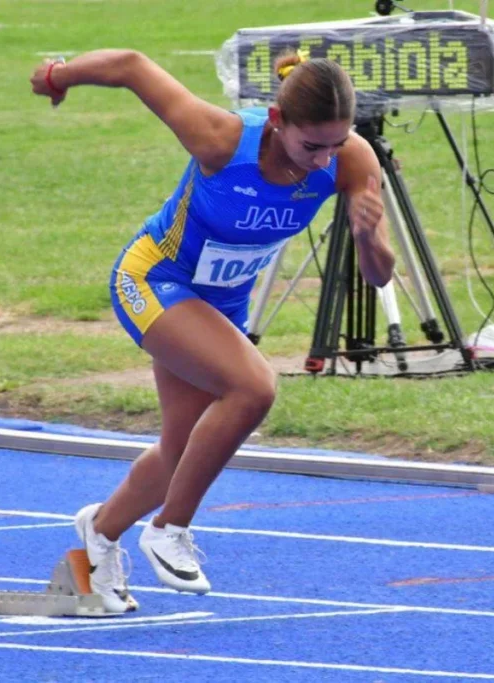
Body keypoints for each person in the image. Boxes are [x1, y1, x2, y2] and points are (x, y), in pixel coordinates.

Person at [29, 48, 395, 613]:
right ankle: (168, 528)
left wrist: (370, 236)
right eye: (310, 146)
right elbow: (130, 65)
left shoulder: (352, 161)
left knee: (183, 449)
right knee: (253, 388)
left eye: (335, 144)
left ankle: (99, 535)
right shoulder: (222, 140)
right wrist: (58, 76)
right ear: (278, 121)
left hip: (222, 301)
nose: (324, 160)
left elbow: (379, 275)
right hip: (155, 279)